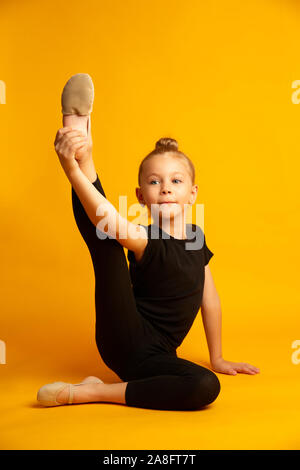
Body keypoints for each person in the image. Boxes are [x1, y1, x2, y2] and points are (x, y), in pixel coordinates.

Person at [37, 75, 259, 411]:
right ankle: (81, 150)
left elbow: (209, 300)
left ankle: (96, 391)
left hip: (157, 358)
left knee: (204, 385)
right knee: (107, 237)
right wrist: (72, 170)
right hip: (125, 336)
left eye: (176, 180)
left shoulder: (197, 238)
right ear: (142, 196)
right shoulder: (145, 237)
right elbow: (104, 219)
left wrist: (218, 358)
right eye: (154, 182)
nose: (166, 188)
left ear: (192, 193)